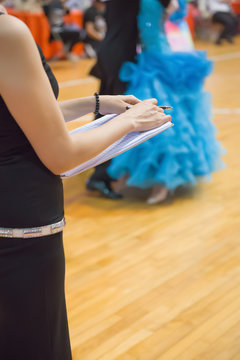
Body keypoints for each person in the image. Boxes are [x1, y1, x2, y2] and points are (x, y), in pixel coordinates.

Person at [0, 6, 171, 359]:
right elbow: (61, 155)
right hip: (20, 223)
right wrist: (131, 121)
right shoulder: (7, 32)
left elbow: (13, 117)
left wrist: (93, 103)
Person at [107, 0, 224, 204]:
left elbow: (174, 11)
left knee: (162, 113)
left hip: (158, 55)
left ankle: (162, 182)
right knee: (142, 113)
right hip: (147, 56)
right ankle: (136, 175)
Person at [86, 0, 171, 199]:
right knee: (115, 117)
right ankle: (101, 176)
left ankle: (97, 170)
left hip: (110, 51)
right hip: (121, 57)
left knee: (104, 112)